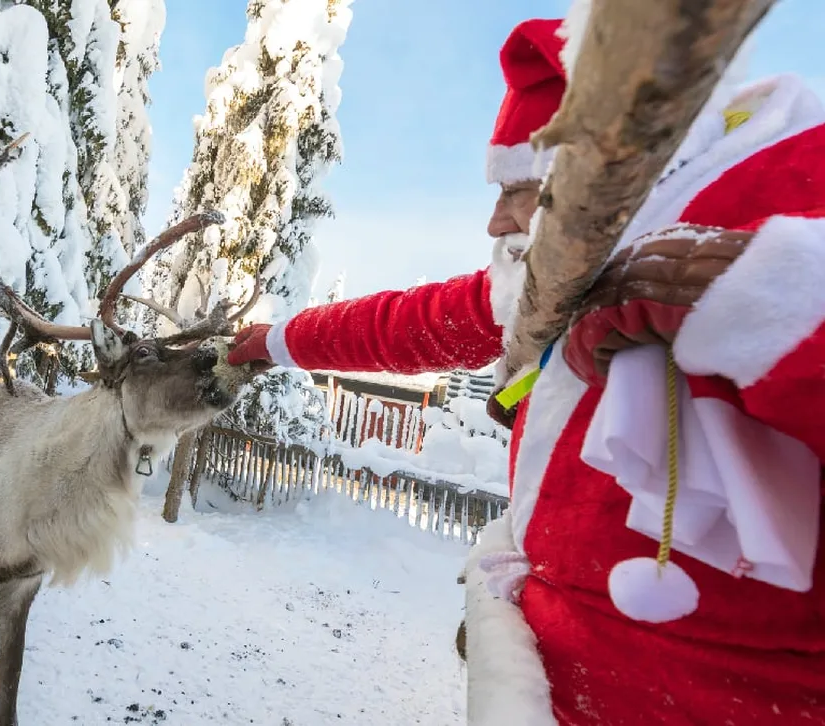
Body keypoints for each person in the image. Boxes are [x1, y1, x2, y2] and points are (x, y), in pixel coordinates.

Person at [226, 17, 825, 726]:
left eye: (519, 191)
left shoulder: (788, 189)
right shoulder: (558, 285)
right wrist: (265, 341)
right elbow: (405, 324)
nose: (494, 224)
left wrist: (759, 303)